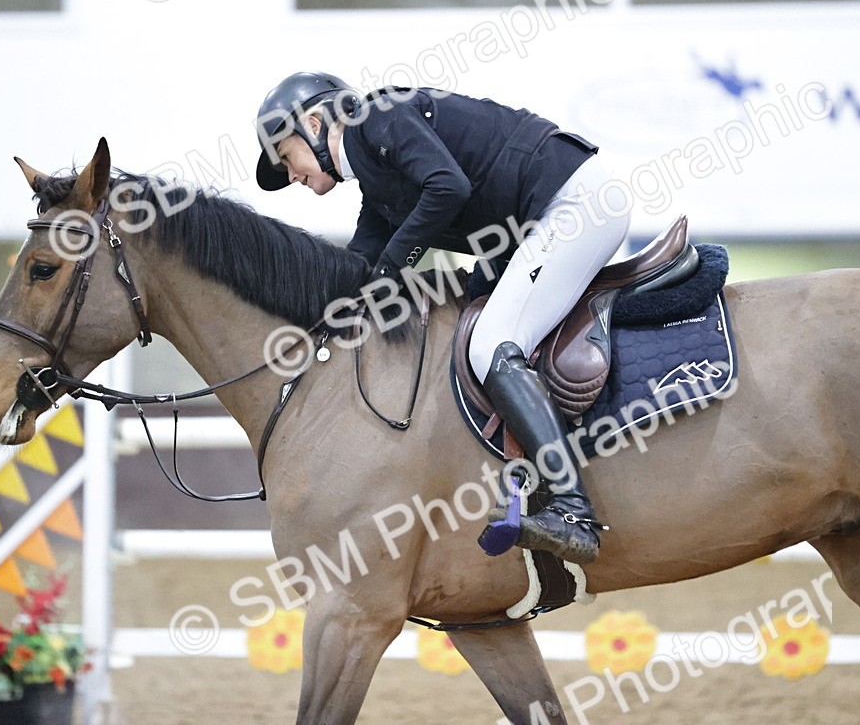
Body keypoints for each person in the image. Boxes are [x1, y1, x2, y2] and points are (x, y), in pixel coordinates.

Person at [254, 71, 631, 565]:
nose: (292, 175)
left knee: (491, 343)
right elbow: (362, 267)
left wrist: (391, 268)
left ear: (316, 122)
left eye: (287, 156)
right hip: (551, 211)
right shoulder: (379, 179)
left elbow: (446, 187)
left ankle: (573, 509)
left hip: (574, 205)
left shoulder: (376, 118)